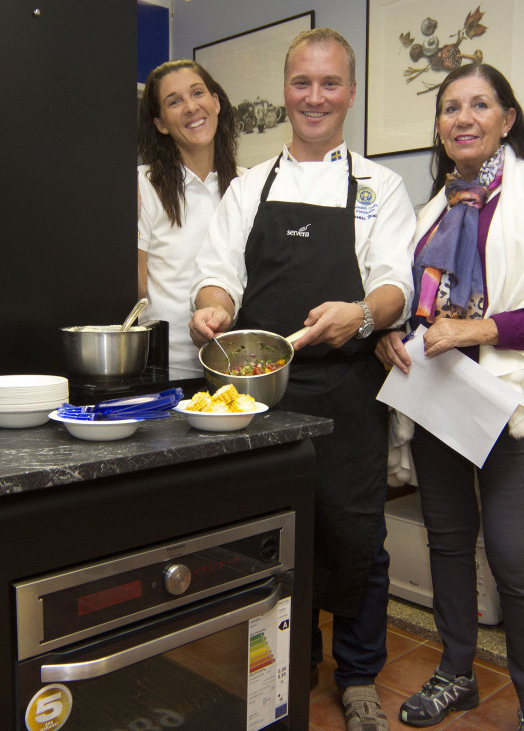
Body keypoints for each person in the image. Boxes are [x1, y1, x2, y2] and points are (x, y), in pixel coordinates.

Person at [189, 28, 416, 730]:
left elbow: (394, 285)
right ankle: (284, 665)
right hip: (261, 391)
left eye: (329, 83)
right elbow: (219, 272)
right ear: (284, 91)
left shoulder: (381, 185)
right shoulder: (252, 185)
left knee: (355, 534)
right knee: (273, 532)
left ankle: (357, 675)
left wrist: (363, 313)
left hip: (349, 388)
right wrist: (213, 305)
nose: (314, 97)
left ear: (349, 92)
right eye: (301, 83)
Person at [375, 63, 524, 730]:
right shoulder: (431, 207)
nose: (463, 118)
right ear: (439, 125)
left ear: (506, 118)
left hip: (509, 403)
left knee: (517, 560)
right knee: (448, 542)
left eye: (479, 105)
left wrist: (483, 326)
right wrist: (396, 335)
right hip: (439, 397)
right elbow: (419, 301)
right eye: (450, 107)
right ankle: (456, 673)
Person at [137, 59, 241, 370]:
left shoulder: (247, 185)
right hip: (166, 370)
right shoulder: (143, 185)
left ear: (216, 102)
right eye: (174, 101)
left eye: (198, 93)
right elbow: (136, 289)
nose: (191, 107)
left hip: (237, 365)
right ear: (161, 124)